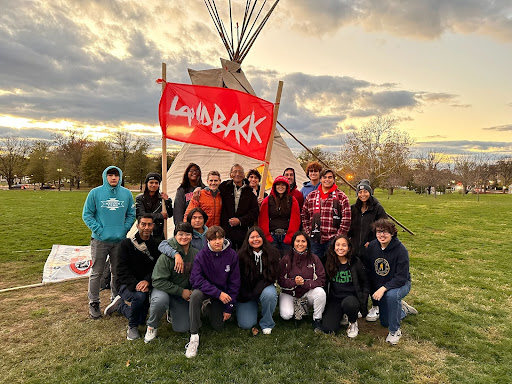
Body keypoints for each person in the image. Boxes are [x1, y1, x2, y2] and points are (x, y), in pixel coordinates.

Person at [82, 166, 135, 319]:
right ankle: (94, 302)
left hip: (119, 240)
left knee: (116, 272)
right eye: (110, 175)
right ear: (105, 176)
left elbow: (131, 214)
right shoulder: (95, 193)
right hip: (100, 240)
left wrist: (123, 230)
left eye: (116, 176)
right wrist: (100, 230)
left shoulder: (126, 194)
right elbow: (87, 215)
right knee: (97, 272)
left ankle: (115, 300)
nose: (113, 178)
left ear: (120, 177)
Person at [103, 214, 161, 340]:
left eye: (149, 224)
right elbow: (121, 270)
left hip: (146, 283)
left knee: (141, 319)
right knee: (139, 297)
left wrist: (147, 281)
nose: (146, 228)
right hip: (127, 283)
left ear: (153, 226)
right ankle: (132, 327)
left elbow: (157, 267)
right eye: (143, 224)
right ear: (137, 225)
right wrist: (136, 284)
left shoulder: (156, 245)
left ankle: (120, 306)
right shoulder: (126, 244)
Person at [186, 226, 241, 358]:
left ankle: (208, 308)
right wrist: (217, 293)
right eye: (213, 239)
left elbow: (235, 283)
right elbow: (196, 280)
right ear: (208, 241)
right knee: (195, 295)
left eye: (220, 238)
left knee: (218, 326)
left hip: (222, 294)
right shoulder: (201, 255)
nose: (217, 242)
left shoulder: (232, 255)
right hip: (207, 290)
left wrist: (229, 307)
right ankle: (194, 336)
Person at [364, 219, 417, 345]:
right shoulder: (372, 246)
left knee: (392, 296)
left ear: (392, 233)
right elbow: (369, 269)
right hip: (383, 285)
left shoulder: (401, 250)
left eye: (385, 232)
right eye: (379, 232)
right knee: (384, 321)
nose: (382, 235)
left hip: (401, 284)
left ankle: (395, 331)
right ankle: (403, 310)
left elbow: (401, 277)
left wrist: (383, 288)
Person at [144, 222, 199, 343]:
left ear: (192, 236)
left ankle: (171, 312)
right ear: (175, 236)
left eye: (187, 234)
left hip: (181, 293)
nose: (184, 237)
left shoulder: (195, 254)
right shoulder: (166, 256)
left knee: (183, 328)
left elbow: (199, 275)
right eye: (180, 234)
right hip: (163, 289)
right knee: (160, 300)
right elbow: (157, 281)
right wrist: (181, 291)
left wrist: (192, 290)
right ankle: (152, 326)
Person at [347, 179, 387, 322]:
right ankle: (358, 304)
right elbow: (349, 227)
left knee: (372, 277)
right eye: (360, 191)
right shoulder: (354, 208)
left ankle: (376, 306)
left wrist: (373, 242)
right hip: (356, 249)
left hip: (371, 249)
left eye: (365, 191)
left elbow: (384, 226)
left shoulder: (377, 208)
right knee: (356, 277)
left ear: (370, 192)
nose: (362, 194)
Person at [321, 235, 369, 338]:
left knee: (349, 304)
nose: (340, 248)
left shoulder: (356, 262)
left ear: (349, 248)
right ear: (333, 247)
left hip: (351, 298)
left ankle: (353, 322)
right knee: (328, 329)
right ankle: (342, 315)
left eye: (344, 245)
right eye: (337, 245)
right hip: (335, 299)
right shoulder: (329, 261)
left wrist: (363, 302)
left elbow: (365, 283)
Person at [278, 231, 326, 332]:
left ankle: (317, 319)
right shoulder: (285, 259)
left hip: (307, 293)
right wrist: (294, 282)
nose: (300, 244)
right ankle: (296, 309)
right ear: (293, 243)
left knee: (320, 293)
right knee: (286, 315)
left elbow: (321, 280)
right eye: (297, 241)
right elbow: (280, 281)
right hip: (289, 293)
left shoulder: (314, 259)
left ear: (307, 243)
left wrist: (305, 283)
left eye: (303, 241)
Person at [301, 168, 351, 263]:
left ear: (334, 179)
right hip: (314, 239)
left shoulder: (342, 197)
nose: (327, 180)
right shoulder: (311, 196)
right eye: (324, 177)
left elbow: (346, 219)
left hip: (332, 240)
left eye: (330, 177)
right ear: (320, 179)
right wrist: (308, 232)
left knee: (332, 265)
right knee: (315, 266)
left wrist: (338, 237)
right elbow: (304, 215)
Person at [236, 227, 279, 334]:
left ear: (263, 238)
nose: (255, 239)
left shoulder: (272, 253)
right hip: (246, 292)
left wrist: (258, 291)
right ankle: (250, 308)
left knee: (270, 294)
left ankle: (267, 322)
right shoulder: (240, 256)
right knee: (246, 324)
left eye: (258, 236)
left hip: (264, 287)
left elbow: (272, 276)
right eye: (252, 237)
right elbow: (238, 279)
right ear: (247, 240)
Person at [218, 164, 259, 250]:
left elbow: (254, 212)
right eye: (235, 172)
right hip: (226, 230)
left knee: (242, 257)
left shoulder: (250, 191)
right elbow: (212, 189)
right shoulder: (224, 187)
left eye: (240, 172)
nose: (237, 174)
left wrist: (240, 221)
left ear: (244, 175)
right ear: (231, 175)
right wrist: (199, 189)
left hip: (243, 231)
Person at [258, 176, 300, 257]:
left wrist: (290, 236)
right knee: (272, 261)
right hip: (272, 235)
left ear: (287, 187)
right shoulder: (268, 199)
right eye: (278, 184)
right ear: (274, 186)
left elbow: (295, 219)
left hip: (286, 236)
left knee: (287, 262)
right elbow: (263, 219)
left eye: (283, 185)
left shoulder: (292, 200)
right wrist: (267, 236)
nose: (280, 187)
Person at [135, 172, 173, 243]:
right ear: (147, 184)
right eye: (151, 182)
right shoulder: (140, 198)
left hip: (158, 233)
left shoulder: (162, 198)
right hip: (144, 231)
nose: (154, 185)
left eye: (156, 183)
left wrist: (167, 201)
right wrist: (160, 215)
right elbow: (141, 214)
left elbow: (170, 214)